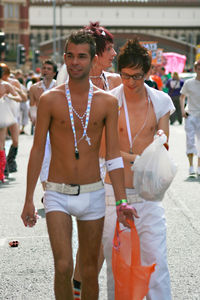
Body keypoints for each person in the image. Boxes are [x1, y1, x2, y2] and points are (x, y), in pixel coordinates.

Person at [21, 30, 137, 300]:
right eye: (70, 56)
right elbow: (37, 150)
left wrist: (121, 202)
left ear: (92, 59)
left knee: (88, 270)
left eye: (82, 56)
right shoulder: (50, 100)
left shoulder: (108, 102)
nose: (75, 62)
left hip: (94, 193)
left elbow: (113, 156)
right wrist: (28, 198)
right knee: (63, 266)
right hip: (57, 193)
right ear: (64, 58)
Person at [102, 38, 175, 300]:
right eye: (125, 75)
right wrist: (137, 157)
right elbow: (102, 150)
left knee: (157, 265)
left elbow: (163, 145)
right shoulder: (109, 101)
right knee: (117, 267)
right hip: (113, 195)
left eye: (137, 76)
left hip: (148, 195)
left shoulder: (161, 101)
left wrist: (129, 157)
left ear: (148, 73)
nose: (130, 82)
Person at [0, 63, 27, 174]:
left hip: (13, 115)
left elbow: (23, 98)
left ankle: (11, 161)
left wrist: (14, 92)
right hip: (3, 114)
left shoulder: (12, 83)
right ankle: (4, 166)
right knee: (1, 142)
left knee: (15, 141)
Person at [180, 60, 200, 176]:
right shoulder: (189, 83)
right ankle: (191, 166)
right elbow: (182, 97)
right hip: (191, 115)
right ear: (195, 69)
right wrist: (183, 111)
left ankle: (199, 167)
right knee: (190, 141)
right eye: (198, 68)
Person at [29, 59, 57, 125]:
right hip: (40, 120)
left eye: (49, 69)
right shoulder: (34, 88)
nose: (45, 70)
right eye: (44, 68)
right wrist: (33, 117)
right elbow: (32, 105)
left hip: (56, 121)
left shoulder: (59, 86)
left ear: (54, 73)